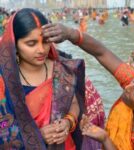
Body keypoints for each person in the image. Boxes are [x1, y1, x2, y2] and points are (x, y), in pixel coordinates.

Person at [0, 8, 104, 149]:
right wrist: (37, 136)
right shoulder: (4, 79)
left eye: (46, 42)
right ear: (15, 45)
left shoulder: (61, 69)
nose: (41, 49)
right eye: (31, 44)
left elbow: (73, 103)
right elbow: (3, 125)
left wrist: (68, 122)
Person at [42, 23, 134, 149]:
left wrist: (104, 139)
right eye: (133, 81)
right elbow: (101, 53)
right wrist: (70, 34)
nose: (127, 87)